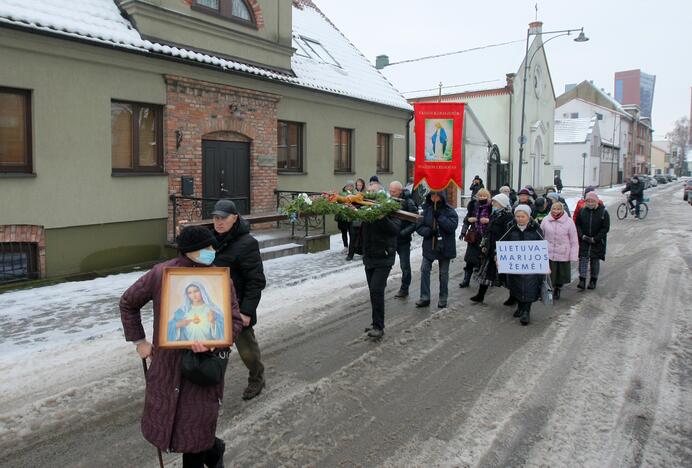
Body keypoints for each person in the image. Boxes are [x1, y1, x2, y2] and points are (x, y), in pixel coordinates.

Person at [120, 226, 243, 466]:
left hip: (202, 371)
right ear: (190, 251)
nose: (212, 251)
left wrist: (214, 344)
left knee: (194, 435)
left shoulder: (218, 280)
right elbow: (128, 302)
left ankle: (209, 450)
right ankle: (214, 448)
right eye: (206, 248)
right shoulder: (161, 275)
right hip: (167, 368)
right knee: (171, 425)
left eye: (212, 246)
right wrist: (140, 342)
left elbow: (235, 321)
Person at [211, 199, 267, 401]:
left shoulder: (247, 243)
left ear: (235, 218)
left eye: (223, 218)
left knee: (248, 353)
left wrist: (246, 312)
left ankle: (257, 378)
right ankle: (210, 389)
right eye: (215, 217)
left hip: (238, 309)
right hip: (214, 307)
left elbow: (256, 281)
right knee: (214, 355)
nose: (218, 222)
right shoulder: (212, 241)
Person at [361, 182, 401, 338]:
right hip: (369, 256)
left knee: (377, 290)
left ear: (381, 194)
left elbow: (395, 230)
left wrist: (382, 218)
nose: (370, 193)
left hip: (384, 256)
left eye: (374, 191)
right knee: (373, 291)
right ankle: (375, 322)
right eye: (368, 191)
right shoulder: (365, 208)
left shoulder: (390, 208)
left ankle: (379, 326)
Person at [498, 205, 544, 325]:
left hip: (531, 266)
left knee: (529, 287)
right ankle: (519, 306)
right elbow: (502, 242)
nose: (520, 219)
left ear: (528, 217)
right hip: (515, 265)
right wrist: (497, 255)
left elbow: (542, 246)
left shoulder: (535, 229)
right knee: (516, 286)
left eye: (523, 216)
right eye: (517, 216)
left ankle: (526, 312)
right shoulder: (510, 228)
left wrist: (544, 262)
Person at [415, 190, 459, 308]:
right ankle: (425, 297)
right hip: (430, 246)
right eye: (432, 195)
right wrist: (429, 232)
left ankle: (443, 298)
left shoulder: (450, 211)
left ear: (441, 196)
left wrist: (440, 217)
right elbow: (419, 227)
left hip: (445, 247)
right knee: (424, 270)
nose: (434, 197)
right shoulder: (426, 210)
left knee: (443, 274)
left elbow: (452, 227)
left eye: (436, 195)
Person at [469, 193, 514, 303]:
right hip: (490, 247)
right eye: (493, 202)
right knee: (485, 272)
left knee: (507, 276)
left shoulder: (508, 217)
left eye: (495, 202)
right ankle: (480, 295)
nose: (492, 204)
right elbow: (488, 231)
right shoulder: (494, 214)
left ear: (502, 204)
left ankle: (513, 297)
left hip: (501, 250)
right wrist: (485, 244)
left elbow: (508, 234)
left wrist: (500, 250)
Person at [540, 202, 579, 299]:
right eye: (554, 209)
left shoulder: (569, 222)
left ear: (562, 210)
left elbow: (574, 239)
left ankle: (558, 288)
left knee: (561, 273)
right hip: (549, 251)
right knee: (550, 273)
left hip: (563, 251)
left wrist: (573, 255)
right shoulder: (546, 220)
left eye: (558, 209)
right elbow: (540, 235)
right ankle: (549, 289)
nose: (556, 211)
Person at [574, 192, 610, 290]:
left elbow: (605, 228)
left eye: (592, 201)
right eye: (588, 201)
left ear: (596, 201)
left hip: (597, 242)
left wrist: (596, 238)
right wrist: (582, 236)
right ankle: (582, 280)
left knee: (594, 261)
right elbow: (578, 225)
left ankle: (593, 280)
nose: (590, 203)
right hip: (584, 240)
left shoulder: (603, 212)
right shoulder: (582, 211)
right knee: (583, 260)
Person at [389, 181, 418, 298]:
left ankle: (404, 289)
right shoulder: (390, 201)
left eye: (393, 192)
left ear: (400, 191)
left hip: (403, 240)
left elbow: (415, 222)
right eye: (390, 191)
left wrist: (402, 233)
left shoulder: (409, 202)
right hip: (391, 239)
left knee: (405, 266)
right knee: (386, 264)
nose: (391, 194)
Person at [459, 188, 491, 288]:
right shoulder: (473, 206)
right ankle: (466, 279)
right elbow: (466, 220)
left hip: (486, 237)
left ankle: (485, 281)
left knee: (484, 260)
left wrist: (488, 221)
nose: (482, 197)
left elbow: (496, 221)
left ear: (488, 197)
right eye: (480, 196)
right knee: (470, 259)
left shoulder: (491, 207)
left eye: (484, 196)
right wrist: (464, 229)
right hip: (474, 236)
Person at [346, 179, 367, 260]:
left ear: (363, 185)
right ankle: (350, 254)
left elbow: (366, 204)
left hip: (362, 218)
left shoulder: (365, 194)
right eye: (357, 185)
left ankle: (363, 253)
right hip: (354, 218)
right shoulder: (352, 193)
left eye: (360, 185)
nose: (359, 187)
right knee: (352, 236)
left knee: (363, 236)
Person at [336, 180, 355, 253]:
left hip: (351, 216)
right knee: (343, 232)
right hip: (342, 216)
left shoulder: (355, 193)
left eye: (351, 186)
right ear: (345, 186)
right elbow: (338, 202)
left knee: (351, 233)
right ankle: (345, 246)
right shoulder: (341, 193)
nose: (349, 187)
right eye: (348, 186)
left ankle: (351, 247)